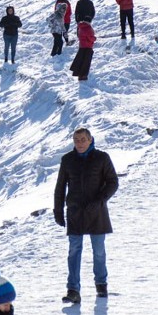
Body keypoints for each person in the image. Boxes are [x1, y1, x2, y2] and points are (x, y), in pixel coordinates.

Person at [54, 127, 118, 303]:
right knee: (74, 251)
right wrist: (58, 210)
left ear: (90, 140)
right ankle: (73, 289)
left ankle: (101, 284)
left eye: (83, 139)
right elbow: (60, 187)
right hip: (75, 212)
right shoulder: (67, 160)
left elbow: (113, 182)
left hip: (96, 212)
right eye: (76, 140)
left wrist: (99, 201)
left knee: (98, 251)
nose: (79, 143)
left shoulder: (102, 158)